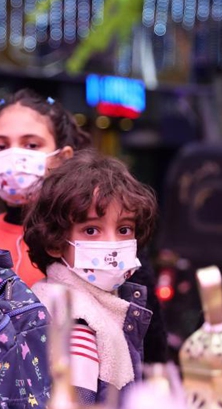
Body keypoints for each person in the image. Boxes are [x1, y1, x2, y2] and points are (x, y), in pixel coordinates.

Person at [24, 150, 157, 405]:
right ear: (55, 243)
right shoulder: (79, 327)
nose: (112, 243)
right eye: (91, 230)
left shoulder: (52, 295)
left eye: (124, 229)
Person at [0, 89, 91, 287]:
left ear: (62, 157)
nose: (14, 156)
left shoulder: (91, 234)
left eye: (31, 145)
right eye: (0, 147)